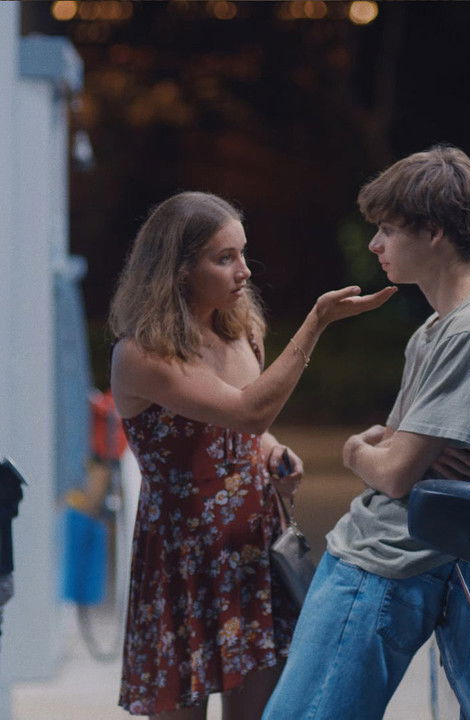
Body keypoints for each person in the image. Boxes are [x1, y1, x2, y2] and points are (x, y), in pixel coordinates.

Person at [262, 145, 470, 720]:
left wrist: (357, 449)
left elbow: (392, 468)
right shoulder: (438, 329)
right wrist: (385, 452)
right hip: (368, 561)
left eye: (387, 229)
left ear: (433, 232)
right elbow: (396, 453)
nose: (374, 245)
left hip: (383, 570)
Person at [109, 191, 397, 719]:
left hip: (251, 545)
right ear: (177, 269)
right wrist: (316, 323)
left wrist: (270, 452)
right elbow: (247, 412)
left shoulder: (236, 325)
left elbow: (246, 431)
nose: (243, 270)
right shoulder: (142, 353)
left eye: (243, 253)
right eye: (224, 258)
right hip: (185, 552)